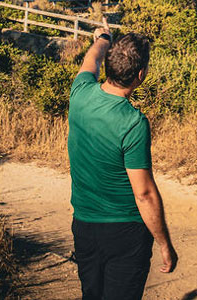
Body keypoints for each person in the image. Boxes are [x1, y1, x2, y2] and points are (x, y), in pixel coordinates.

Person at [67, 23, 177, 300]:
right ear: (140, 75)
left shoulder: (80, 92)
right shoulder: (133, 123)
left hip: (83, 224)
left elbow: (90, 59)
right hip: (125, 231)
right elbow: (144, 194)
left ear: (109, 66)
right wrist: (165, 244)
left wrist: (103, 38)